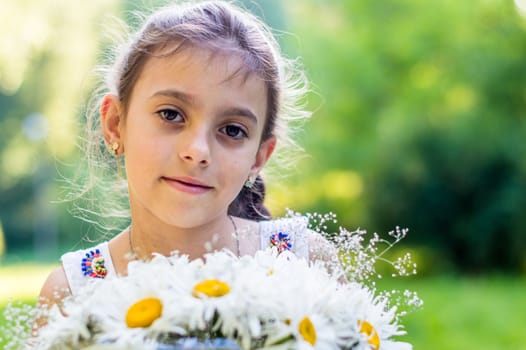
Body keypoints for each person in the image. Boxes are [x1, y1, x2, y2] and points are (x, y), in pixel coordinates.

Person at [39, 0, 337, 301]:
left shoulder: (303, 263)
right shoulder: (72, 293)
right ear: (116, 123)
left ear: (258, 158)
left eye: (232, 130)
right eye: (171, 114)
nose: (197, 151)